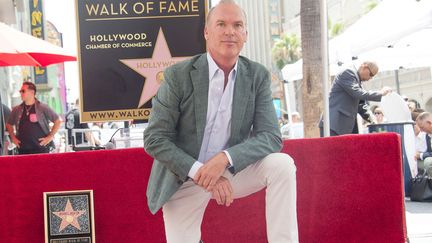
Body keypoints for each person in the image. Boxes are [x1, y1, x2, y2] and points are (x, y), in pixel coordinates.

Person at [143, 1, 298, 242]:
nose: (230, 31)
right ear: (206, 32)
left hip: (231, 170)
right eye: (221, 24)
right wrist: (202, 173)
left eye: (237, 25)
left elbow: (271, 137)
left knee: (282, 165)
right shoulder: (178, 76)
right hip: (184, 177)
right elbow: (155, 139)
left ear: (245, 34)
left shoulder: (256, 75)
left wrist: (224, 159)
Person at [319, 62, 392, 136]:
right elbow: (357, 93)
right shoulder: (348, 73)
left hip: (342, 126)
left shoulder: (357, 80)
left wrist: (372, 119)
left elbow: (361, 105)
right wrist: (380, 93)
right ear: (364, 67)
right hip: (333, 124)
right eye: (371, 75)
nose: (370, 78)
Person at [6, 82, 62, 154]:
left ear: (32, 92)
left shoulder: (42, 107)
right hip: (23, 149)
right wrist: (13, 138)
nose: (21, 93)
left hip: (41, 149)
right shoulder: (17, 109)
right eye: (20, 91)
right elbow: (9, 124)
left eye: (23, 91)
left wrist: (50, 137)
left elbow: (58, 121)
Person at [414, 112, 432, 176]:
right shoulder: (428, 135)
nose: (421, 130)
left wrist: (421, 155)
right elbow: (430, 152)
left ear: (429, 123)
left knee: (428, 162)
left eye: (422, 127)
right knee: (415, 162)